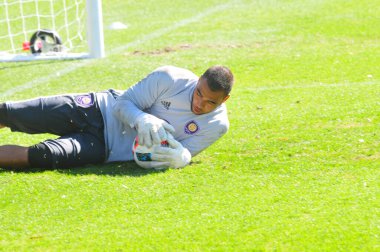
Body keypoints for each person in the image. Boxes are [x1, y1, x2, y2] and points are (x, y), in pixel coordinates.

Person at [0, 65, 234, 170]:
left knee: (40, 156)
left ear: (224, 100)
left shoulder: (217, 126)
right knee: (12, 113)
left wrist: (180, 157)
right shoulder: (170, 78)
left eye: (210, 102)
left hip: (105, 148)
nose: (199, 103)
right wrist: (142, 119)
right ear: (197, 81)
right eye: (199, 93)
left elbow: (179, 154)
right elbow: (123, 104)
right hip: (97, 108)